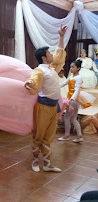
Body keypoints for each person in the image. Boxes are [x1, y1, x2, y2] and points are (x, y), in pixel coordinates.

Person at [24, 25, 67, 173]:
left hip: (53, 107)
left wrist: (61, 37)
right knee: (38, 135)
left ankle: (47, 164)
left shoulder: (53, 68)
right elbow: (34, 80)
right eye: (49, 53)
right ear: (44, 57)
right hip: (42, 107)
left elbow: (60, 54)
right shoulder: (40, 70)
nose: (52, 55)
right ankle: (35, 160)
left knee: (49, 136)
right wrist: (30, 83)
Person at [58, 60, 86, 143]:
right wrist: (54, 86)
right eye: (70, 67)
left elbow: (77, 90)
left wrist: (72, 99)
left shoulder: (78, 78)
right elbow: (62, 84)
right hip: (73, 99)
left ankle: (66, 135)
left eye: (73, 67)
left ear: (78, 68)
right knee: (73, 119)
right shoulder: (71, 77)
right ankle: (79, 136)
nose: (71, 68)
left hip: (73, 100)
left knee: (67, 118)